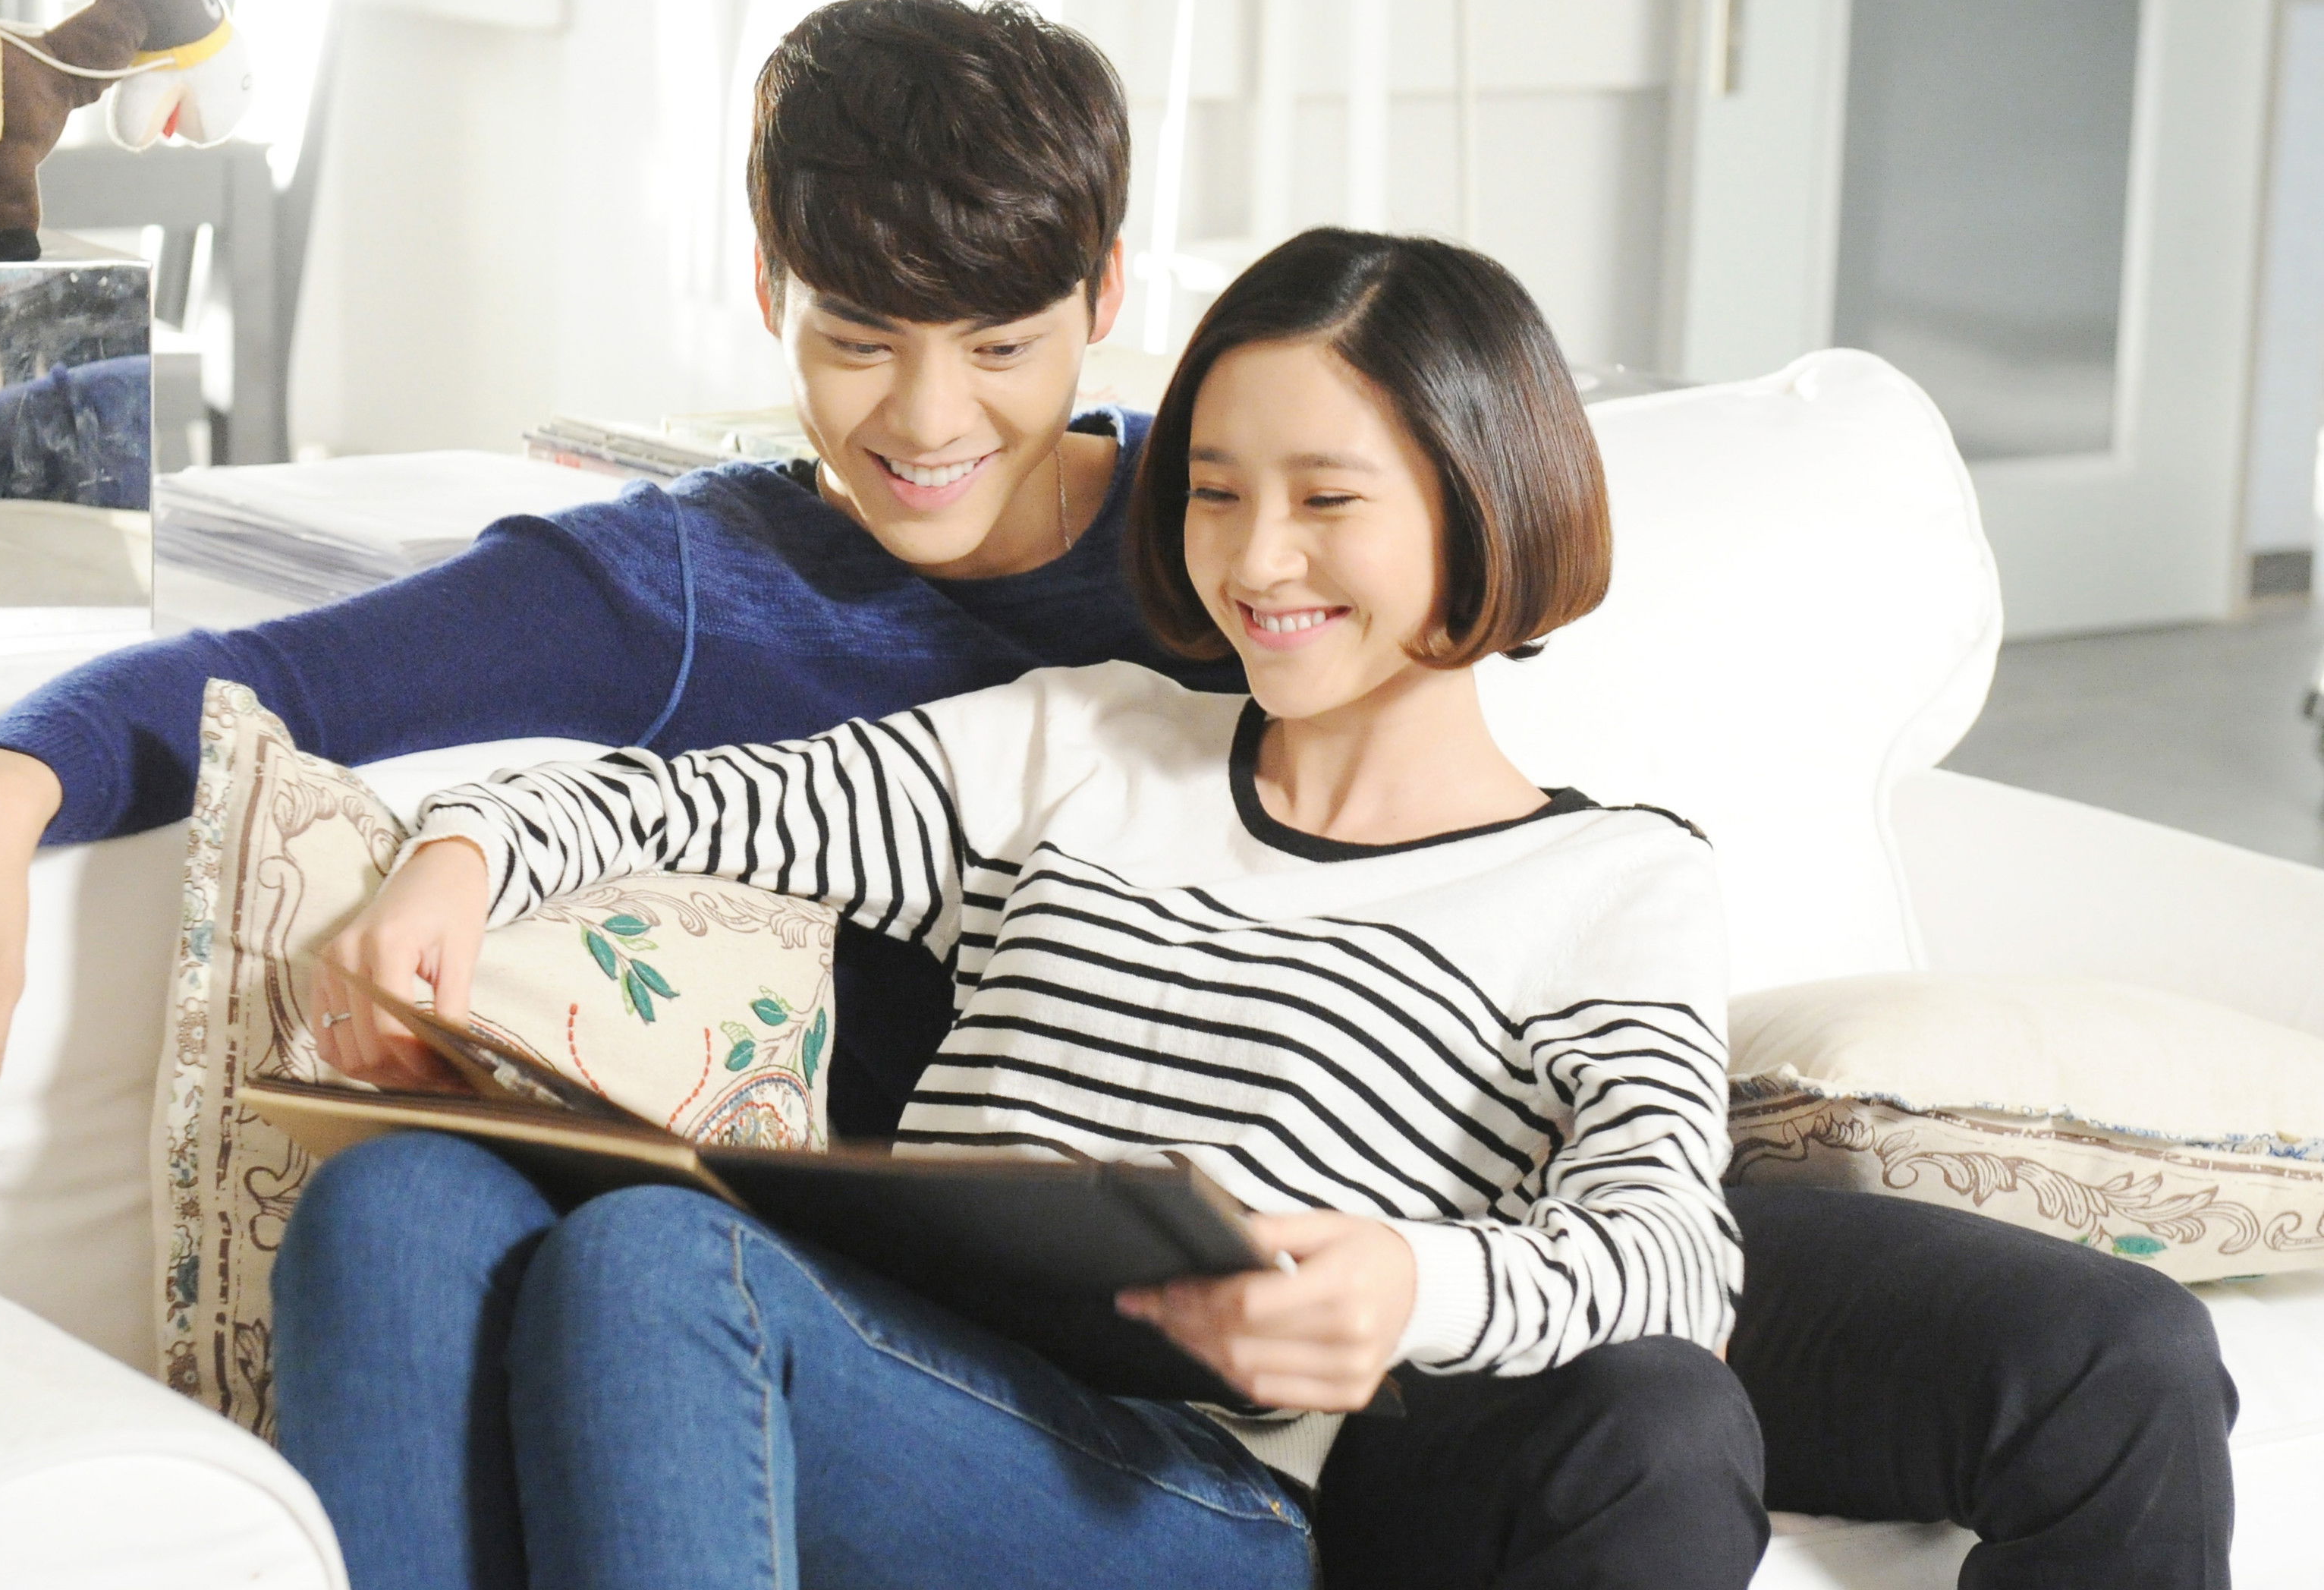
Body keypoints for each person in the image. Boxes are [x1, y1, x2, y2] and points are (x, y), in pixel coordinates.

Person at [275, 229, 2238, 1590]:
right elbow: (695, 807)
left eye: (1328, 498)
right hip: (893, 1373)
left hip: (1191, 1503)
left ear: (1479, 502)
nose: (1257, 559)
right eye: (1215, 491)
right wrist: (459, 863)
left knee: (656, 1261)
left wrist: (1406, 1287)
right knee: (397, 1198)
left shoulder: (1607, 884)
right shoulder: (1080, 741)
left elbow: (1664, 1256)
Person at [0, 0, 1237, 1189]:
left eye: (999, 347)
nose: (927, 418)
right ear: (771, 292)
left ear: (1105, 295)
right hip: (858, 1267)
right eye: (859, 342)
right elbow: (282, 681)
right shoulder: (684, 582)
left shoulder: (1242, 527)